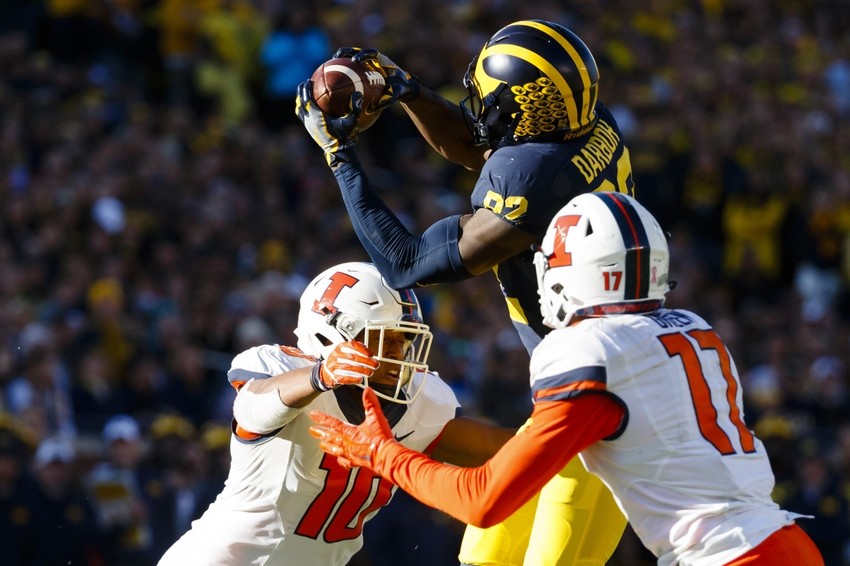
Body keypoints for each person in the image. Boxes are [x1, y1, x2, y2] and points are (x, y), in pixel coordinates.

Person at [309, 192, 826, 566]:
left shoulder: (590, 350)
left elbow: (482, 500)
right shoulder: (694, 329)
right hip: (781, 542)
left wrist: (382, 454)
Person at [296, 19, 633, 565]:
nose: (479, 105)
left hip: (599, 406)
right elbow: (485, 146)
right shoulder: (591, 130)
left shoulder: (532, 177)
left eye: (493, 99)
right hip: (580, 382)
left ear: (522, 111)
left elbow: (405, 264)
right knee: (483, 556)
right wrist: (408, 90)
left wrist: (339, 156)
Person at [157, 261, 513, 565]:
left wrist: (564, 432)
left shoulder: (420, 403)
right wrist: (319, 376)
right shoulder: (279, 372)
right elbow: (252, 409)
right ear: (334, 336)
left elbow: (515, 454)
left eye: (403, 339)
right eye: (383, 338)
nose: (399, 353)